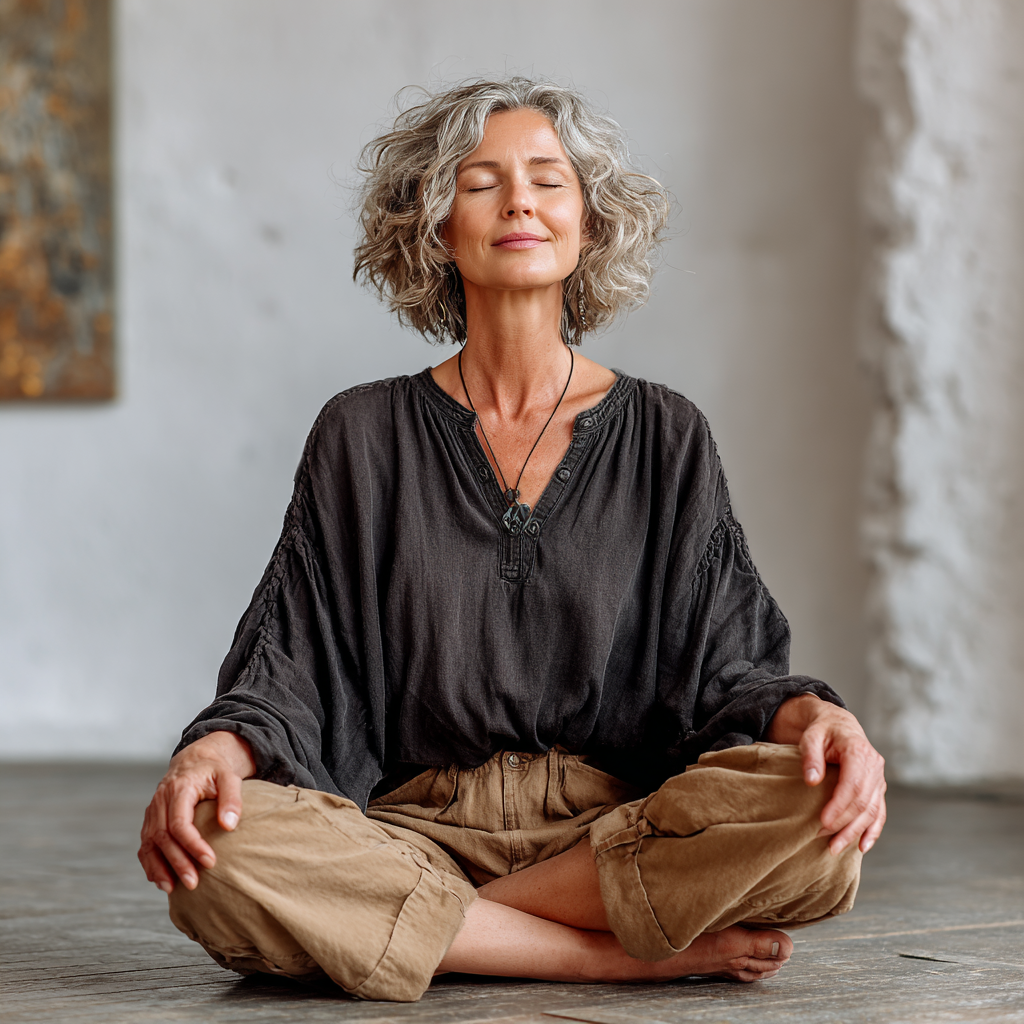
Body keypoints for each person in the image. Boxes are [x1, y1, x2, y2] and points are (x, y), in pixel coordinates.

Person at [138, 78, 886, 1003]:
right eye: (481, 182)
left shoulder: (665, 432)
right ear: (436, 225)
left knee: (820, 812)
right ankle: (599, 950)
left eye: (547, 179)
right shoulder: (361, 433)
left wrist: (823, 719)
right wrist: (215, 752)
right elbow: (293, 658)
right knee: (220, 851)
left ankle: (438, 926)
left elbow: (730, 663)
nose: (519, 200)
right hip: (415, 828)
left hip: (618, 828)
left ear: (590, 224)